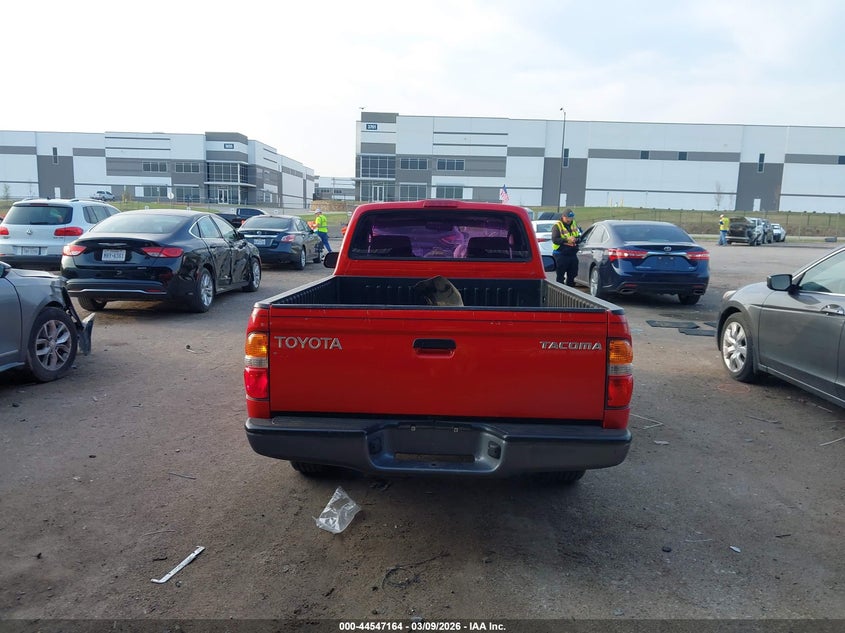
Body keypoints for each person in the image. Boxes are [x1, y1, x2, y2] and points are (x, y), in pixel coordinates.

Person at [551, 209, 581, 286]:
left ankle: (570, 289)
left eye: (571, 218)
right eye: (567, 218)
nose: (569, 220)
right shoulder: (557, 226)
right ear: (563, 216)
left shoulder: (574, 224)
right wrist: (567, 240)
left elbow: (579, 236)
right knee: (560, 277)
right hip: (560, 254)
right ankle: (559, 291)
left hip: (572, 254)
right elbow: (555, 239)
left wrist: (575, 239)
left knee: (573, 275)